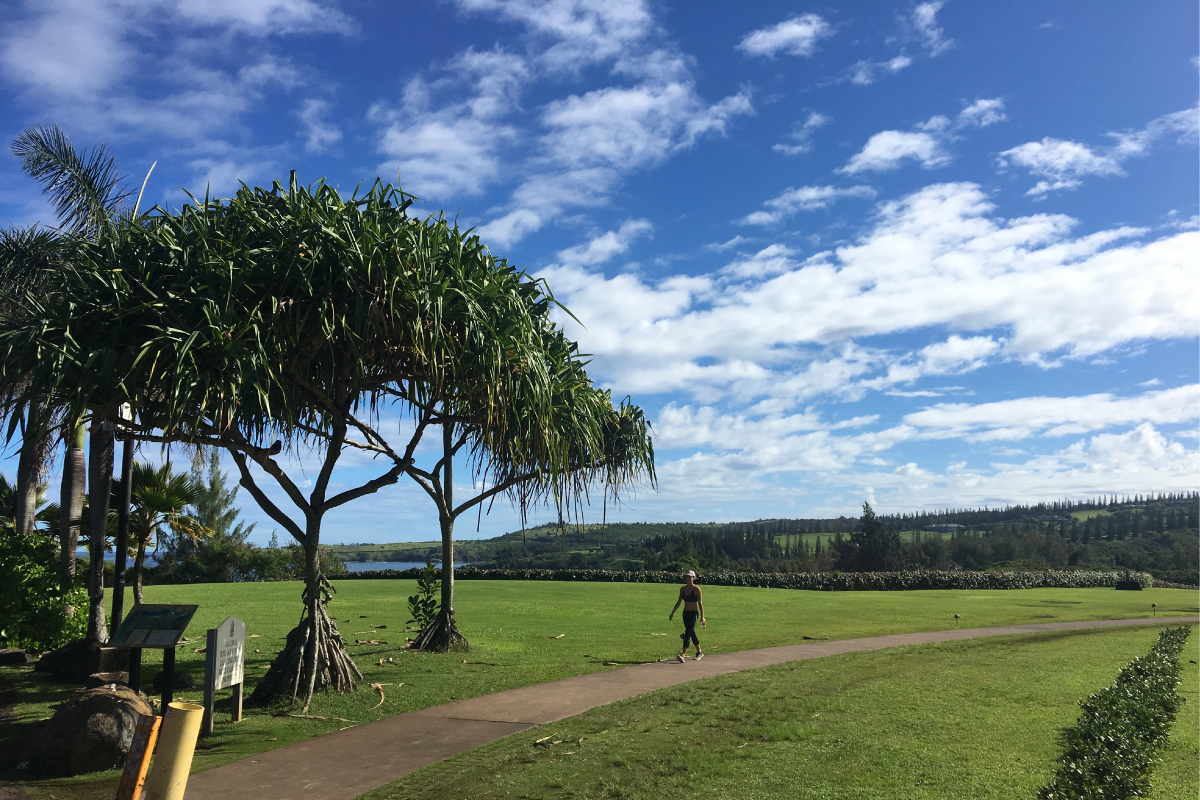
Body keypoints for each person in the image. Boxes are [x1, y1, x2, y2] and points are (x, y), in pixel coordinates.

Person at [668, 569, 705, 662]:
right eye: (686, 577)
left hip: (693, 614)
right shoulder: (683, 589)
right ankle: (699, 652)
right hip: (685, 614)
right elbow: (679, 601)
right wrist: (672, 612)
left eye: (689, 577)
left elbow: (700, 603)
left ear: (693, 578)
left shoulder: (696, 589)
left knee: (688, 633)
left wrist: (702, 617)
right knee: (691, 632)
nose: (688, 579)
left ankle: (683, 654)